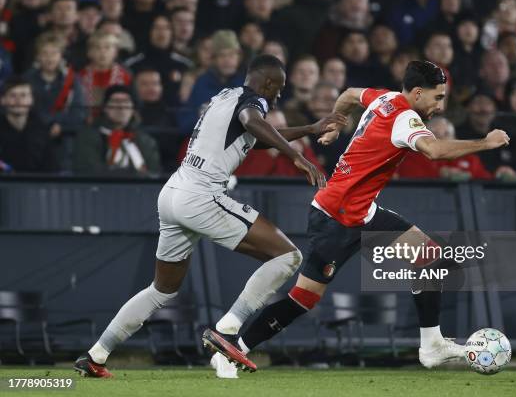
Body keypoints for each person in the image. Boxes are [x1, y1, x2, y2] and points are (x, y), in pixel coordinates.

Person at [203, 61, 511, 377]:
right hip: (337, 216)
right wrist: (485, 143)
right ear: (418, 93)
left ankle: (431, 345)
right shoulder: (404, 118)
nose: (440, 105)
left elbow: (350, 94)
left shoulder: (383, 98)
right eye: (437, 97)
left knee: (428, 256)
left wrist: (339, 123)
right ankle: (234, 349)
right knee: (303, 299)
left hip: (361, 211)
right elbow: (433, 151)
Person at [73, 54, 346, 378]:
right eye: (280, 88)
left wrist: (309, 129)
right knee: (288, 256)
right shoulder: (252, 101)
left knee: (161, 289)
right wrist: (296, 156)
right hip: (201, 196)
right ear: (269, 82)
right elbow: (252, 121)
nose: (279, 96)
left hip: (173, 192)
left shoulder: (224, 96)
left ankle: (96, 355)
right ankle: (228, 330)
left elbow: (251, 137)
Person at [72, 85, 160, 175]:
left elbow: (154, 173)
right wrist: (130, 174)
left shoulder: (145, 140)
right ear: (105, 108)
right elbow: (89, 170)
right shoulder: (88, 136)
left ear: (133, 110)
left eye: (126, 102)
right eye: (115, 101)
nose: (121, 106)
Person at [0, 77, 57, 173]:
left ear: (31, 100)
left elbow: (51, 169)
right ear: (2, 100)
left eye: (23, 95)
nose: (18, 101)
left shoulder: (41, 130)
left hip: (36, 185)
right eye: (12, 95)